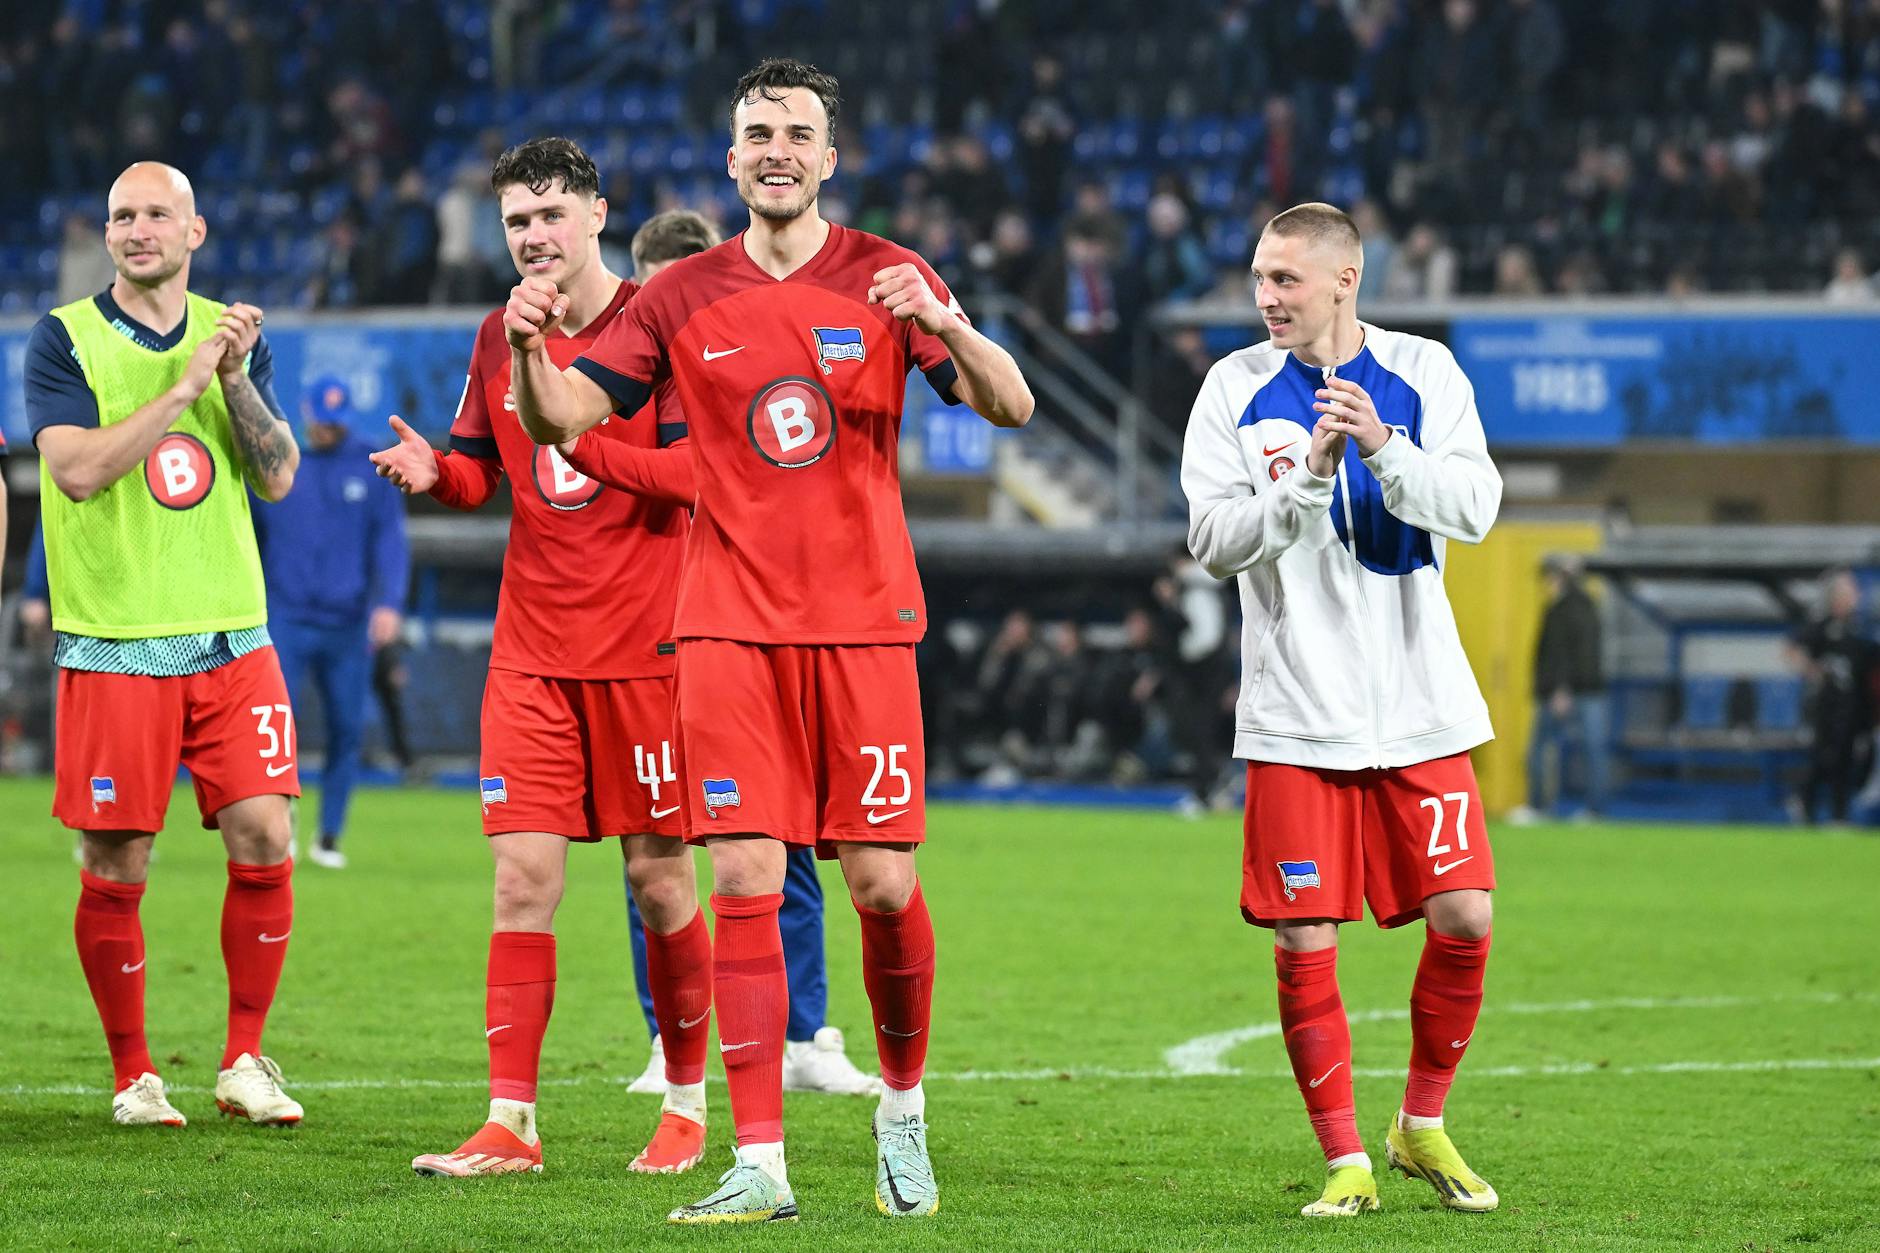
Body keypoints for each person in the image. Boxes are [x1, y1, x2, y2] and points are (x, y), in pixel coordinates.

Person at [507, 59, 1033, 1223]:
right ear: (732, 156)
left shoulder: (891, 277)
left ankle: (901, 1114)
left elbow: (1010, 406)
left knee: (884, 886)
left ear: (829, 157)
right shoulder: (680, 292)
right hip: (725, 627)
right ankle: (762, 1160)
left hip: (863, 628)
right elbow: (567, 418)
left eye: (798, 133)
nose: (776, 150)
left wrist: (944, 322)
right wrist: (527, 349)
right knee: (742, 872)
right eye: (757, 134)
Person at [371, 138, 713, 1180]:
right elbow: (485, 473)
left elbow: (697, 471)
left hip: (646, 649)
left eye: (551, 215)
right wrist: (439, 472)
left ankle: (690, 1102)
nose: (533, 237)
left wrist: (578, 437)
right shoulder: (496, 334)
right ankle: (511, 1119)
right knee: (521, 879)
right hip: (532, 653)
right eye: (518, 221)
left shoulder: (660, 330)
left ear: (598, 215)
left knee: (659, 880)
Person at [1181, 202, 1504, 1218]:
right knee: (1302, 936)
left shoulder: (1423, 374)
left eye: (1284, 279)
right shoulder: (1231, 388)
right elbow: (1210, 537)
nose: (1264, 296)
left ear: (1343, 279)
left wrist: (1384, 452)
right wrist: (1307, 482)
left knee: (1465, 914)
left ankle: (1419, 1123)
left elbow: (1476, 505)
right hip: (1295, 710)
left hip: (1421, 702)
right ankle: (1345, 1158)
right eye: (1258, 278)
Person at [25, 161, 305, 1129]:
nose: (136, 229)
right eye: (120, 215)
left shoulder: (237, 334)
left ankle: (242, 1058)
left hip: (232, 629)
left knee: (267, 832)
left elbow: (275, 476)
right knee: (117, 858)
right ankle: (135, 1072)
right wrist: (186, 384)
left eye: (156, 213)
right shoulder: (63, 336)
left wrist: (230, 378)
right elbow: (75, 471)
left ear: (195, 231)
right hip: (116, 638)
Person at [606, 210, 879, 1102]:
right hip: (655, 635)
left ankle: (806, 1031)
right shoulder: (628, 368)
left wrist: (593, 455)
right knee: (661, 855)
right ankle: (667, 1039)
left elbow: (699, 476)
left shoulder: (746, 360)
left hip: (760, 623)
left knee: (788, 846)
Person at [253, 377, 410, 869]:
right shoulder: (280, 466)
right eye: (320, 420)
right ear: (305, 413)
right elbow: (250, 539)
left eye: (335, 423)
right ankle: (281, 825)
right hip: (286, 617)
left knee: (346, 728)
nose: (327, 430)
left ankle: (330, 835)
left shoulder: (372, 466)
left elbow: (390, 540)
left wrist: (390, 603)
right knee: (278, 729)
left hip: (348, 625)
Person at [1509, 554, 1607, 823]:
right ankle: (1594, 810)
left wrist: (1562, 689)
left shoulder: (1564, 610)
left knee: (1540, 748)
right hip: (1586, 689)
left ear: (1559, 578)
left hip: (1564, 691)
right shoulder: (1587, 606)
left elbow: (1563, 653)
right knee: (1592, 751)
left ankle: (1539, 806)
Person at [1790, 569, 1876, 825]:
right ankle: (1807, 804)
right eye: (1850, 590)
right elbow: (1791, 651)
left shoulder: (1860, 628)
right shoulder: (1822, 626)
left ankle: (1838, 815)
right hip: (1827, 707)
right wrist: (1814, 672)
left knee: (1849, 760)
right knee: (1826, 757)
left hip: (1856, 709)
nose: (1856, 595)